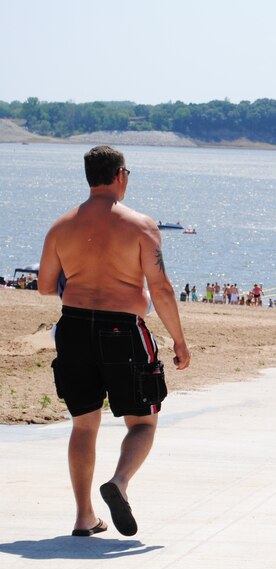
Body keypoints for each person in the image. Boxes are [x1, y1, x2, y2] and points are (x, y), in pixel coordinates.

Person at [38, 145, 191, 537]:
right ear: (120, 174)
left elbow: (43, 286)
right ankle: (119, 482)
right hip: (123, 329)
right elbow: (161, 288)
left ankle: (84, 516)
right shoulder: (140, 226)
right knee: (142, 422)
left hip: (72, 327)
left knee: (84, 424)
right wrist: (179, 341)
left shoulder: (60, 226)